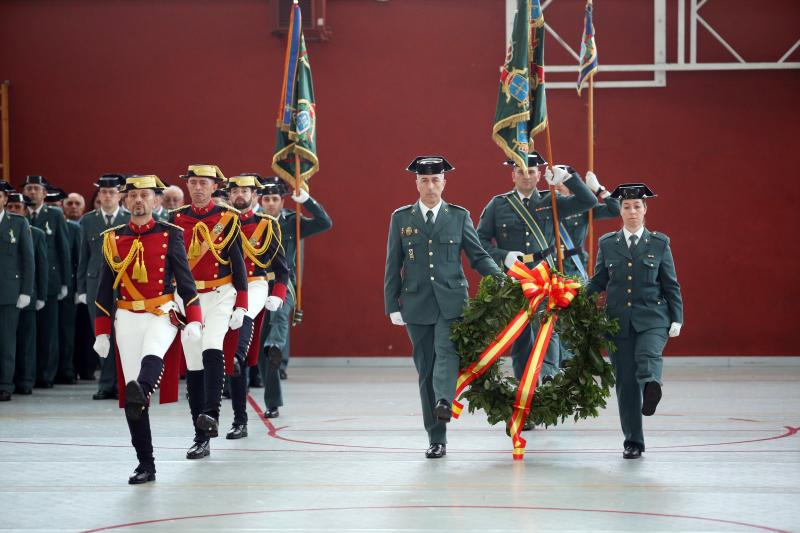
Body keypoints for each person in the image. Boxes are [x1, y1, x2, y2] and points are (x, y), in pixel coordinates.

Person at [384, 156, 501, 458]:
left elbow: (478, 256)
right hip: (416, 304)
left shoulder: (459, 216)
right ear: (417, 183)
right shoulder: (401, 218)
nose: (431, 185)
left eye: (436, 179)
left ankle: (445, 401)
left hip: (452, 303)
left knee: (446, 352)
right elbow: (392, 264)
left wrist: (501, 279)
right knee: (425, 370)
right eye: (425, 180)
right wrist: (391, 304)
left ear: (444, 182)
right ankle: (437, 438)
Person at [93, 175, 202, 483]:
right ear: (125, 201)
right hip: (127, 316)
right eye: (133, 195)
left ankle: (142, 388)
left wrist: (194, 318)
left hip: (162, 311)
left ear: (156, 202)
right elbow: (103, 291)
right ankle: (146, 464)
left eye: (145, 195)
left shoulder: (172, 234)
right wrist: (101, 331)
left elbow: (186, 281)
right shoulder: (112, 238)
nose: (138, 200)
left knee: (152, 355)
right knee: (132, 400)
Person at [476, 154, 596, 387]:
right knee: (521, 338)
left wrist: (568, 179)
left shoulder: (550, 200)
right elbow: (479, 240)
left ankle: (549, 375)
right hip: (515, 279)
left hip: (544, 275)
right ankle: (525, 389)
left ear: (539, 174)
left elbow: (588, 201)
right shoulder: (497, 205)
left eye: (531, 171)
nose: (527, 176)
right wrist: (503, 257)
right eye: (521, 172)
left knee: (547, 324)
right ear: (513, 175)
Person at [586, 183, 683, 460]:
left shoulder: (659, 243)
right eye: (626, 207)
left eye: (637, 206)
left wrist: (677, 317)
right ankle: (633, 441)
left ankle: (652, 384)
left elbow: (671, 285)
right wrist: (575, 296)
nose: (632, 211)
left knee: (647, 355)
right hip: (618, 322)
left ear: (645, 209)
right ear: (620, 210)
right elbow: (599, 281)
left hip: (653, 317)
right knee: (626, 384)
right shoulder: (607, 244)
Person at [171, 164, 248, 460]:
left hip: (220, 293)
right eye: (193, 182)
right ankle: (200, 435)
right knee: (193, 361)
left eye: (204, 183)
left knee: (212, 347)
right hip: (188, 297)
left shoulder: (228, 219)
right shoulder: (176, 220)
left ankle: (211, 414)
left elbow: (237, 261)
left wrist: (242, 301)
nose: (198, 188)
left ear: (215, 187)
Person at [225, 174, 288, 438]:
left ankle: (240, 420)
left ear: (255, 195)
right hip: (222, 288)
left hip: (254, 286)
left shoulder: (267, 224)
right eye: (235, 189)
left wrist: (279, 294)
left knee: (237, 355)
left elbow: (281, 269)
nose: (240, 194)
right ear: (229, 195)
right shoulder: (219, 223)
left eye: (246, 190)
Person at [257, 175, 332, 391]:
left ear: (282, 201)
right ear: (261, 201)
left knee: (279, 314)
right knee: (257, 349)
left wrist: (307, 201)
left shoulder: (292, 222)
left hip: (283, 283)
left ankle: (276, 347)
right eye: (267, 199)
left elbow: (324, 223)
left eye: (275, 199)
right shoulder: (251, 223)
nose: (271, 203)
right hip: (255, 284)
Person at [77, 175, 130, 399]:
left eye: (111, 192)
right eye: (103, 192)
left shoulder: (129, 218)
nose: (107, 196)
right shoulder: (88, 220)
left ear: (119, 195)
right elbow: (83, 256)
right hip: (95, 284)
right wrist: (80, 289)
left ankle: (122, 384)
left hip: (124, 285)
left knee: (123, 336)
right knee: (101, 335)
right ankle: (105, 384)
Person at [22, 175, 71, 389]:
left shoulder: (55, 214)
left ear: (44, 193)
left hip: (50, 280)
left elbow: (64, 250)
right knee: (28, 333)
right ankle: (28, 374)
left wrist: (64, 283)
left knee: (49, 332)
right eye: (29, 188)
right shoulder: (21, 215)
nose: (32, 192)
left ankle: (46, 375)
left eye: (36, 189)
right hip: (26, 282)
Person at [6, 193, 47, 395]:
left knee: (20, 342)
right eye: (11, 206)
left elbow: (36, 265)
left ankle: (19, 382)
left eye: (18, 206)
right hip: (9, 292)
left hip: (20, 293)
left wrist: (33, 293)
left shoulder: (32, 231)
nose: (14, 210)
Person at [0, 181, 35, 401]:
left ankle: (5, 385)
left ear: (4, 199)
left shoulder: (18, 223)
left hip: (8, 291)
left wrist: (25, 291)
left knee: (6, 342)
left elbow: (28, 260)